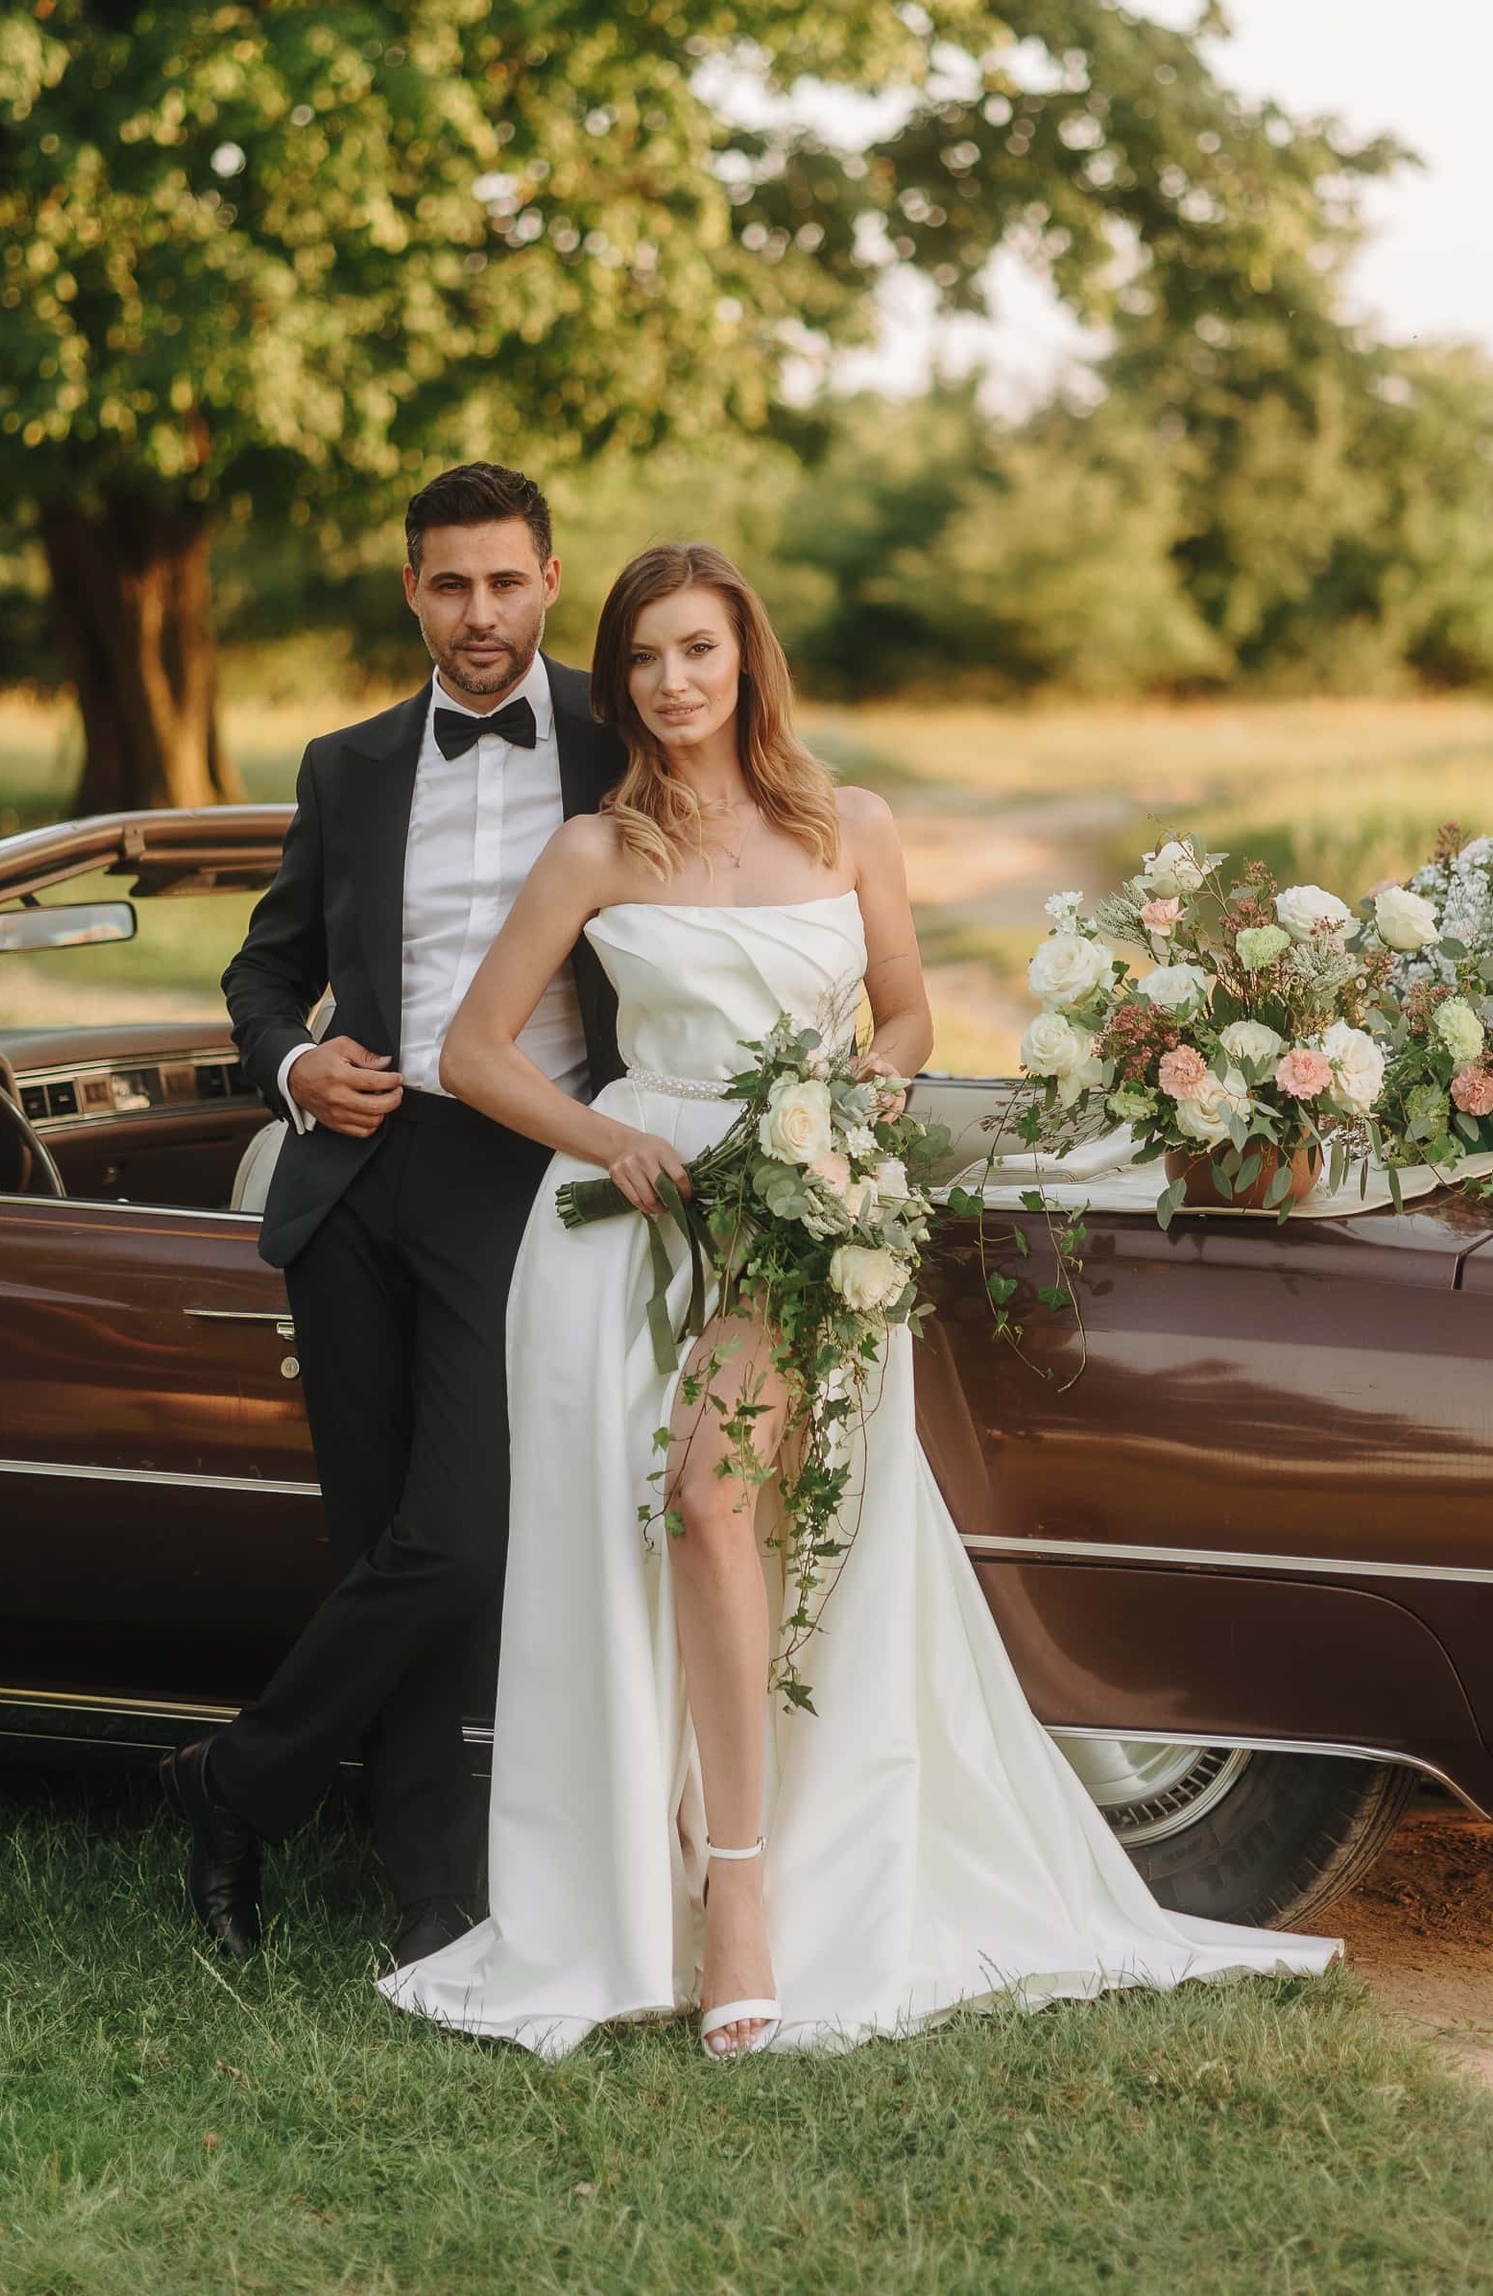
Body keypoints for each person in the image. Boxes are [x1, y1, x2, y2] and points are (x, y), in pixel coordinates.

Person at [383, 542, 1339, 2060]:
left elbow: (906, 1012)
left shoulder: (852, 825)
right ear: (618, 682)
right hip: (631, 1231)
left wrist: (845, 1108)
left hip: (805, 1204)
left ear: (747, 658)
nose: (674, 682)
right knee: (661, 1541)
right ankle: (669, 1885)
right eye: (645, 658)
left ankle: (748, 1889)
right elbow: (476, 1051)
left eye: (700, 649)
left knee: (725, 1509)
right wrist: (613, 1138)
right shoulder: (594, 850)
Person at [162, 463, 626, 1968]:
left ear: (550, 582)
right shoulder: (348, 763)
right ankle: (430, 1887)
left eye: (504, 581)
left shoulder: (626, 745)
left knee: (461, 1536)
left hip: (526, 1175)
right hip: (357, 1179)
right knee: (383, 1539)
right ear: (412, 592)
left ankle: (235, 1784)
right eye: (449, 584)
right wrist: (292, 1065)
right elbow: (264, 969)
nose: (478, 613)